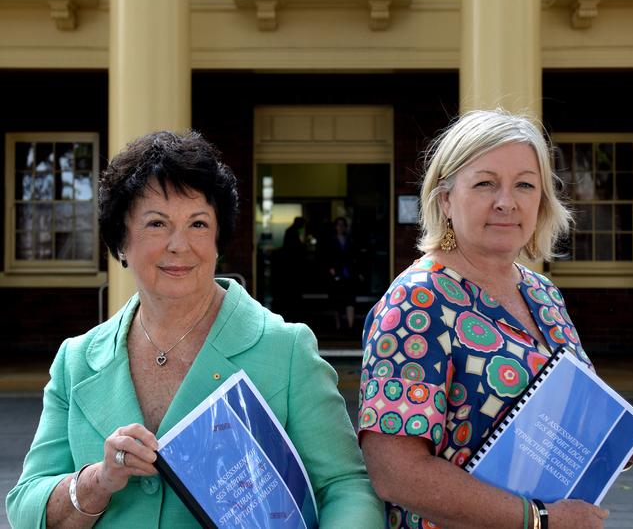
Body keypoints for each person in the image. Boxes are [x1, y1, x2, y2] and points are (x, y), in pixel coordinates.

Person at [7, 130, 384, 528]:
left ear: (219, 239)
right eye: (157, 223)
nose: (179, 245)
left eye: (199, 224)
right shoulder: (77, 360)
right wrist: (97, 481)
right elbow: (25, 505)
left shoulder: (285, 349)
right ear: (120, 241)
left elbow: (346, 488)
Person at [357, 109, 633, 529]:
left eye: (525, 185)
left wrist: (627, 442)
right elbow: (396, 474)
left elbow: (547, 434)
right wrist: (539, 519)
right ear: (445, 199)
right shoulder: (417, 302)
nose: (507, 202)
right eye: (485, 183)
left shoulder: (541, 292)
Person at [326, 217, 357, 330]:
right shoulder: (331, 240)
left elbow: (355, 255)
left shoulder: (350, 240)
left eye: (343, 225)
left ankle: (350, 325)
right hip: (336, 273)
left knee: (350, 300)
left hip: (348, 273)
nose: (340, 227)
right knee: (337, 300)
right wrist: (331, 268)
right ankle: (338, 325)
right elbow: (326, 256)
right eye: (338, 224)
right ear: (335, 227)